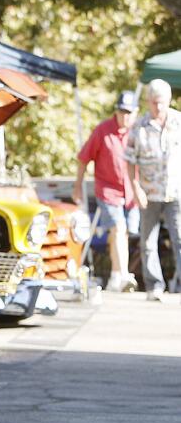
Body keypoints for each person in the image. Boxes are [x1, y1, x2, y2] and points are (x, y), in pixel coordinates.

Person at [74, 91, 139, 291]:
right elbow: (84, 158)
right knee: (118, 228)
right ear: (116, 111)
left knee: (123, 233)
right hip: (108, 190)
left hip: (131, 192)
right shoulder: (103, 130)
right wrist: (78, 185)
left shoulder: (137, 132)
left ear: (135, 113)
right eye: (122, 112)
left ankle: (114, 274)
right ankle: (124, 276)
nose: (125, 116)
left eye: (129, 113)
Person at [125, 79, 181, 301]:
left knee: (179, 238)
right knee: (148, 241)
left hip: (175, 191)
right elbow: (129, 161)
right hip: (149, 192)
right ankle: (154, 286)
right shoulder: (139, 127)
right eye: (154, 102)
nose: (158, 107)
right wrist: (135, 187)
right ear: (148, 102)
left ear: (169, 101)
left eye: (162, 102)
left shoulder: (178, 121)